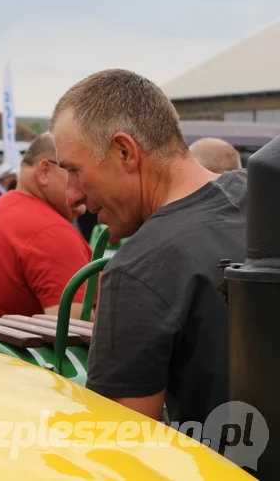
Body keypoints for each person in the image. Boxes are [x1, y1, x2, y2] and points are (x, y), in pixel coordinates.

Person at [50, 68, 247, 426]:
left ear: (125, 151)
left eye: (75, 170)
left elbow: (122, 449)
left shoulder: (139, 270)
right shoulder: (263, 199)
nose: (72, 196)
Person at [0, 133, 92, 318]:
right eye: (75, 172)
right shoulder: (50, 231)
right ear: (44, 171)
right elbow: (73, 333)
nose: (87, 188)